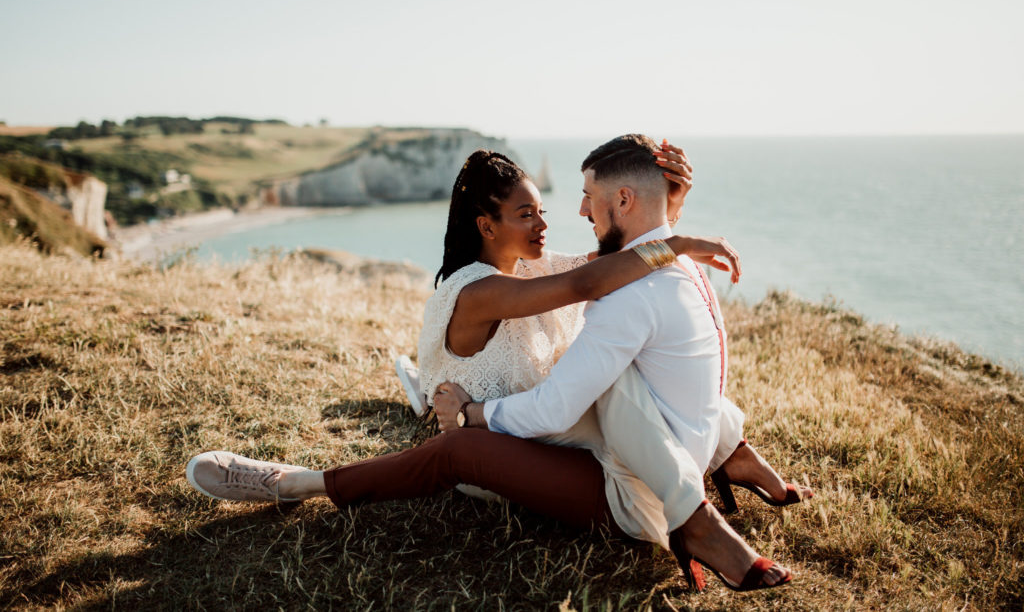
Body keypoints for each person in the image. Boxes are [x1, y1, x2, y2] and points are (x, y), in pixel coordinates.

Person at [186, 141, 809, 593]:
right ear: (486, 226)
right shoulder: (481, 291)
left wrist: (668, 209)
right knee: (464, 445)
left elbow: (608, 258)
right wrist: (671, 240)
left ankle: (717, 478)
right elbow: (598, 274)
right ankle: (295, 482)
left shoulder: (538, 267)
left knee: (613, 377)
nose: (548, 223)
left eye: (544, 210)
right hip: (517, 439)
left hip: (559, 434)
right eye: (526, 215)